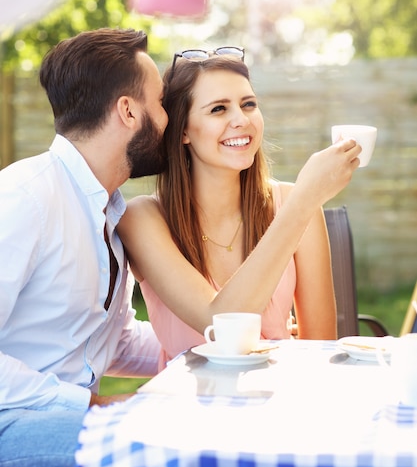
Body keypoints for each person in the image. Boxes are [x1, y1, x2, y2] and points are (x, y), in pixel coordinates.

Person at [118, 49, 361, 371]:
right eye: (218, 109)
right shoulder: (143, 219)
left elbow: (320, 348)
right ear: (184, 131)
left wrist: (301, 202)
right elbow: (220, 326)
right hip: (185, 410)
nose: (241, 120)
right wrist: (304, 202)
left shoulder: (293, 203)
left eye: (248, 104)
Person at [0, 28, 168, 467]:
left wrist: (217, 345)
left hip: (57, 418)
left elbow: (113, 340)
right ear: (129, 111)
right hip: (9, 423)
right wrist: (87, 405)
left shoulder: (110, 210)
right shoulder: (25, 197)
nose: (170, 120)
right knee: (155, 454)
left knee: (189, 428)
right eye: (162, 103)